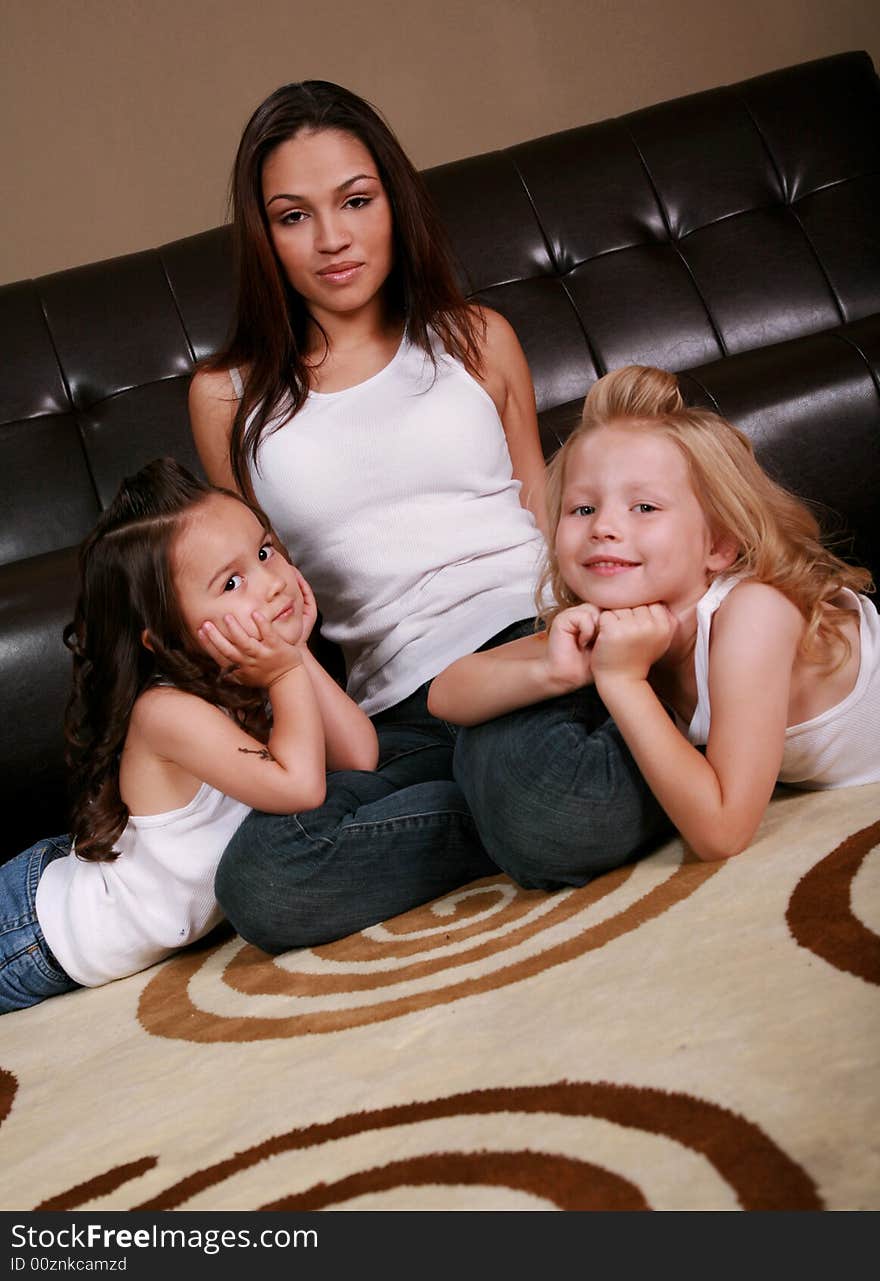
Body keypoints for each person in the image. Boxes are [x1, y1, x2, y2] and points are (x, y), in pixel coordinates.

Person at [189, 81, 668, 953]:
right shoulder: (229, 397)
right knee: (262, 881)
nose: (332, 239)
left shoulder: (474, 336)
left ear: (393, 202)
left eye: (356, 202)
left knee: (541, 794)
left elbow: (547, 516)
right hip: (394, 714)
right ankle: (520, 805)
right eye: (294, 217)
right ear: (264, 236)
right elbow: (254, 583)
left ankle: (535, 789)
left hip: (528, 643)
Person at [430, 365, 879, 861]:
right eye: (582, 509)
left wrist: (623, 683)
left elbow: (723, 833)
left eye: (644, 507)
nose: (604, 527)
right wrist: (553, 672)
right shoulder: (603, 619)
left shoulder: (754, 612)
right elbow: (445, 694)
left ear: (720, 545)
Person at [0, 458, 376, 1013]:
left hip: (86, 876)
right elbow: (301, 788)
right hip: (30, 935)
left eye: (265, 551)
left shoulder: (251, 674)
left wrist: (295, 654)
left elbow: (359, 756)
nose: (272, 583)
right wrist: (286, 670)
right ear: (164, 635)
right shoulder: (166, 711)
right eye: (231, 582)